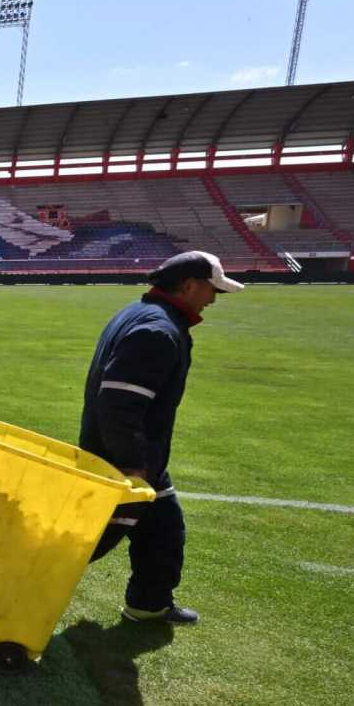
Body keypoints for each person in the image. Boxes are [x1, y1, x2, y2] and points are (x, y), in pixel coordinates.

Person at [81, 250, 244, 625]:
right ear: (188, 285)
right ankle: (1, 581)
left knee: (163, 528)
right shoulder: (157, 330)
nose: (214, 299)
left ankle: (149, 603)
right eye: (211, 289)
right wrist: (133, 464)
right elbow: (118, 402)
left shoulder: (140, 315)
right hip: (124, 461)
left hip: (134, 455)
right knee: (86, 542)